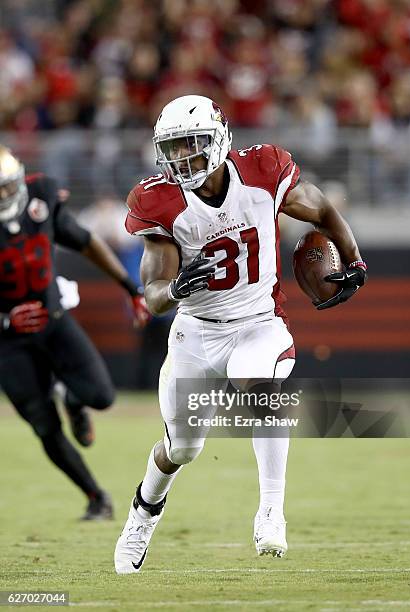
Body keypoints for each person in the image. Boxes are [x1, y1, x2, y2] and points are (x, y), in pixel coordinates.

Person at [114, 95, 367, 572]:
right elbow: (152, 295)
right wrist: (177, 287)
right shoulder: (160, 201)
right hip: (196, 333)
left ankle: (271, 510)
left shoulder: (263, 171)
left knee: (257, 384)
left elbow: (322, 211)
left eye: (190, 144)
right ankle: (143, 513)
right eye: (172, 148)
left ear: (218, 138)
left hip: (258, 323)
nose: (181, 158)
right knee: (181, 449)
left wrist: (353, 259)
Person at [0, 145, 150, 520]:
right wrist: (6, 320)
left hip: (53, 319)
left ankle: (73, 400)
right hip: (8, 341)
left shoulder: (40, 198)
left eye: (7, 186)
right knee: (43, 425)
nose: (4, 196)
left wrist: (130, 288)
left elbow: (84, 241)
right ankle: (96, 497)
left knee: (100, 397)